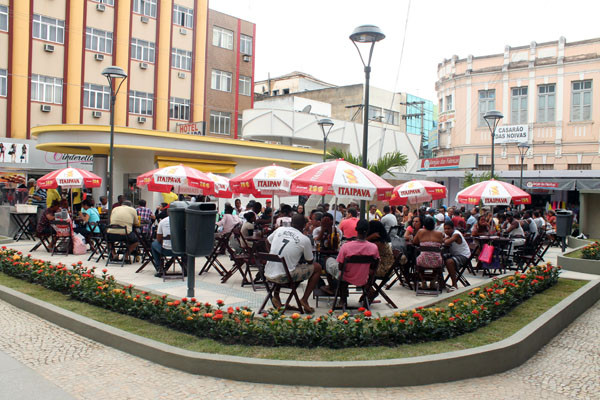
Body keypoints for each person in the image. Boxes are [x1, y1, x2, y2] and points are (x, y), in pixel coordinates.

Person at [264, 214, 322, 313]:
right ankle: (304, 300)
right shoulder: (304, 239)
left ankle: (276, 296)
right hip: (284, 276)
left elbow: (267, 240)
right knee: (317, 268)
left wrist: (272, 253)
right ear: (304, 225)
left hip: (268, 273)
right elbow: (310, 261)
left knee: (288, 265)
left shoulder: (280, 229)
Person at [324, 219, 379, 298]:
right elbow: (374, 266)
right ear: (368, 231)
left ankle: (332, 287)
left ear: (356, 229)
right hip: (363, 278)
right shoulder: (373, 247)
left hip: (345, 277)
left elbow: (340, 267)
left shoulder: (346, 246)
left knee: (327, 259)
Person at [413, 216, 444, 289]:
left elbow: (415, 241)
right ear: (434, 224)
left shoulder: (420, 231)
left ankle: (423, 280)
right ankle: (433, 280)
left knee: (419, 260)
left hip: (423, 261)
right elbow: (442, 243)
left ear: (424, 225)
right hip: (437, 261)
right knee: (439, 261)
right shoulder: (439, 233)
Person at [443, 221, 470, 291]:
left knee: (449, 262)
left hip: (463, 256)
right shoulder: (448, 235)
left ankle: (454, 285)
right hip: (455, 255)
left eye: (448, 229)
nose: (446, 230)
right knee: (440, 258)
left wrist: (445, 239)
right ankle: (440, 282)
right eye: (445, 229)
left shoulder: (456, 234)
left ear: (453, 229)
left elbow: (446, 242)